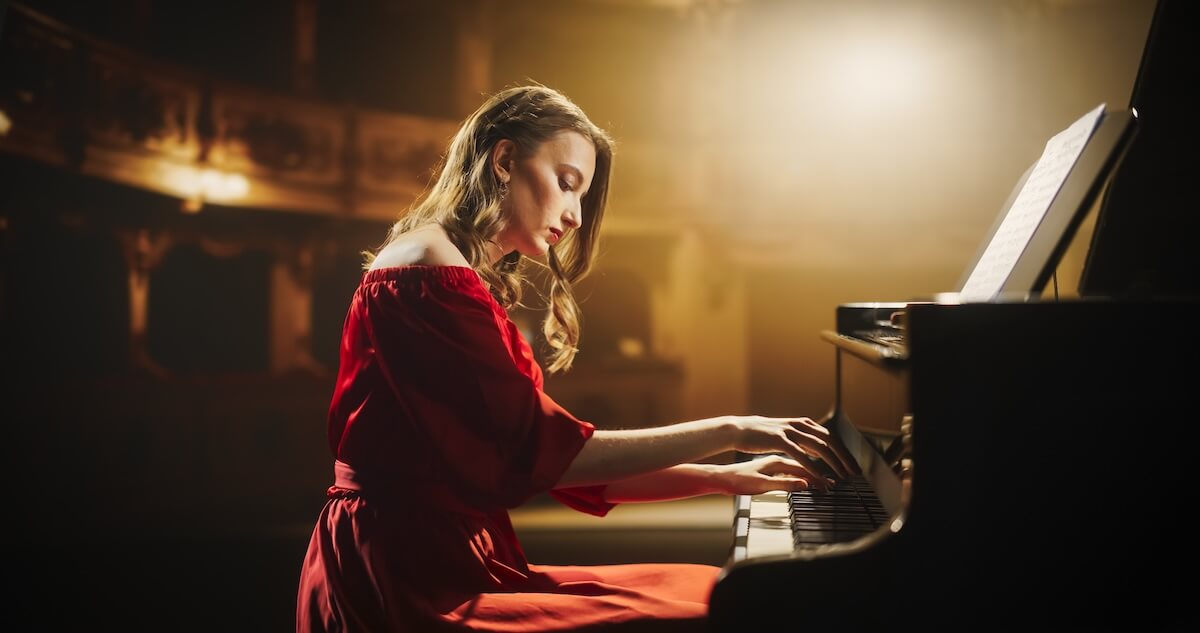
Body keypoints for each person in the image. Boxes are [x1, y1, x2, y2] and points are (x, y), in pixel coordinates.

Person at [295, 83, 859, 633]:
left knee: (715, 593)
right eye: (567, 184)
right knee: (723, 605)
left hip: (443, 552)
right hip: (401, 571)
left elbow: (560, 467)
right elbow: (549, 454)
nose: (576, 216)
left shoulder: (447, 269)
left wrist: (730, 477)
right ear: (505, 159)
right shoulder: (426, 272)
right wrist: (734, 427)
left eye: (582, 195)